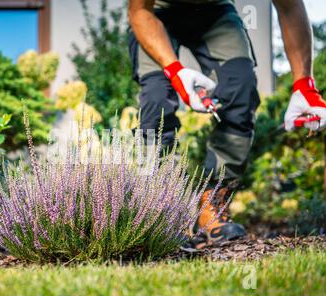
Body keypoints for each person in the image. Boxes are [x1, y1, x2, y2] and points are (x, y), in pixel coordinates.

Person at [128, 0, 326, 242]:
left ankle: (212, 205)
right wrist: (175, 71)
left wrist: (304, 84)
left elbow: (290, 6)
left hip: (215, 10)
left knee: (240, 89)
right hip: (154, 11)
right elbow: (139, 12)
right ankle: (160, 211)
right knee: (156, 100)